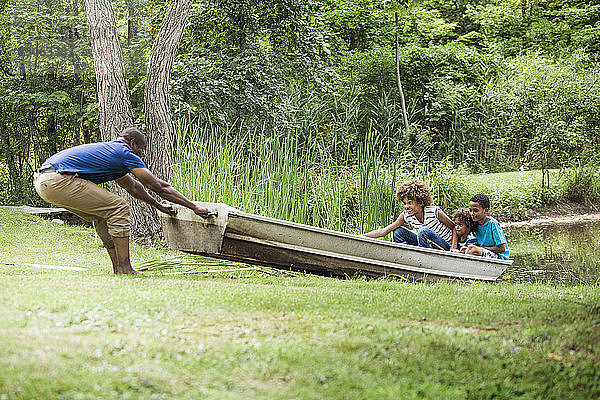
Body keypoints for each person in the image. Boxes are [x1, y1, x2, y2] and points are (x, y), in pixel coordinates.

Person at [33, 127, 209, 275]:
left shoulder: (112, 154)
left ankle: (118, 268)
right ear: (132, 143)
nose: (142, 154)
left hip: (45, 182)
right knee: (119, 207)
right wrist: (193, 207)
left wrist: (158, 206)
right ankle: (126, 268)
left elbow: (133, 187)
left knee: (103, 215)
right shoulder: (123, 153)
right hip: (59, 180)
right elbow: (158, 186)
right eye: (141, 149)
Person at [364, 180, 455, 250]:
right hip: (425, 245)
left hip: (444, 246)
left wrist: (453, 248)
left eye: (410, 202)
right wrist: (362, 237)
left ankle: (422, 257)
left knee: (423, 231)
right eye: (404, 203)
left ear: (420, 202)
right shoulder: (406, 216)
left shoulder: (434, 212)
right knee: (398, 231)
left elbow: (454, 227)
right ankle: (406, 257)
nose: (406, 206)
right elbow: (384, 231)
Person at [463, 193, 510, 260]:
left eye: (475, 210)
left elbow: (502, 248)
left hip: (499, 257)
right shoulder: (474, 223)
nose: (472, 214)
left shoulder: (492, 224)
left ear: (485, 210)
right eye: (470, 210)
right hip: (484, 253)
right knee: (463, 249)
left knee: (472, 249)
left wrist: (480, 248)